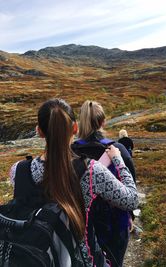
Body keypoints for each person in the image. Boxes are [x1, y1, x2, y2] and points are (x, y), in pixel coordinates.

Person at [10, 98, 138, 267]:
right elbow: (131, 200)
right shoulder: (91, 171)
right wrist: (118, 161)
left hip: (33, 258)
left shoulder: (17, 171)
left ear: (39, 131)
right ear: (75, 128)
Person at [72, 100, 136, 267]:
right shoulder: (118, 150)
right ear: (103, 122)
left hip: (80, 224)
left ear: (80, 122)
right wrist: (131, 215)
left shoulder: (71, 151)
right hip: (115, 224)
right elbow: (130, 185)